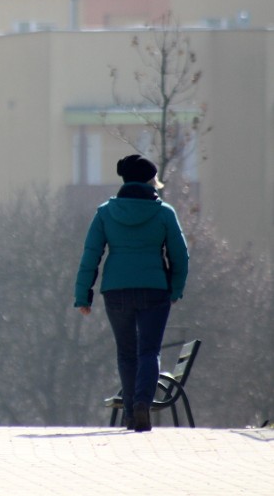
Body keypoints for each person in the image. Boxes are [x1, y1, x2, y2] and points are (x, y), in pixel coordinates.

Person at [75, 154, 189, 432]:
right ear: (151, 181)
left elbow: (91, 255)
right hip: (154, 290)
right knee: (149, 351)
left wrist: (83, 295)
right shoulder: (164, 213)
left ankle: (129, 412)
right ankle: (141, 404)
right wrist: (176, 288)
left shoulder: (105, 212)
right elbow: (180, 256)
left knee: (126, 353)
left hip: (116, 290)